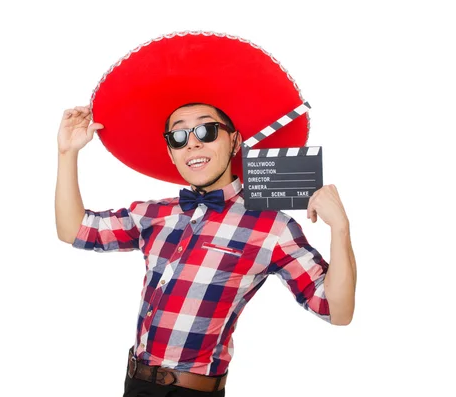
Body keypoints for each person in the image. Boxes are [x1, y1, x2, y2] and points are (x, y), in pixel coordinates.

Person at [55, 100, 357, 396]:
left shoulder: (272, 228)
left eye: (207, 131)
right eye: (179, 136)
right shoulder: (153, 214)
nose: (193, 144)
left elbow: (337, 309)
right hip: (134, 384)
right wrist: (67, 153)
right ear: (171, 153)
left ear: (234, 141)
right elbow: (75, 230)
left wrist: (340, 228)